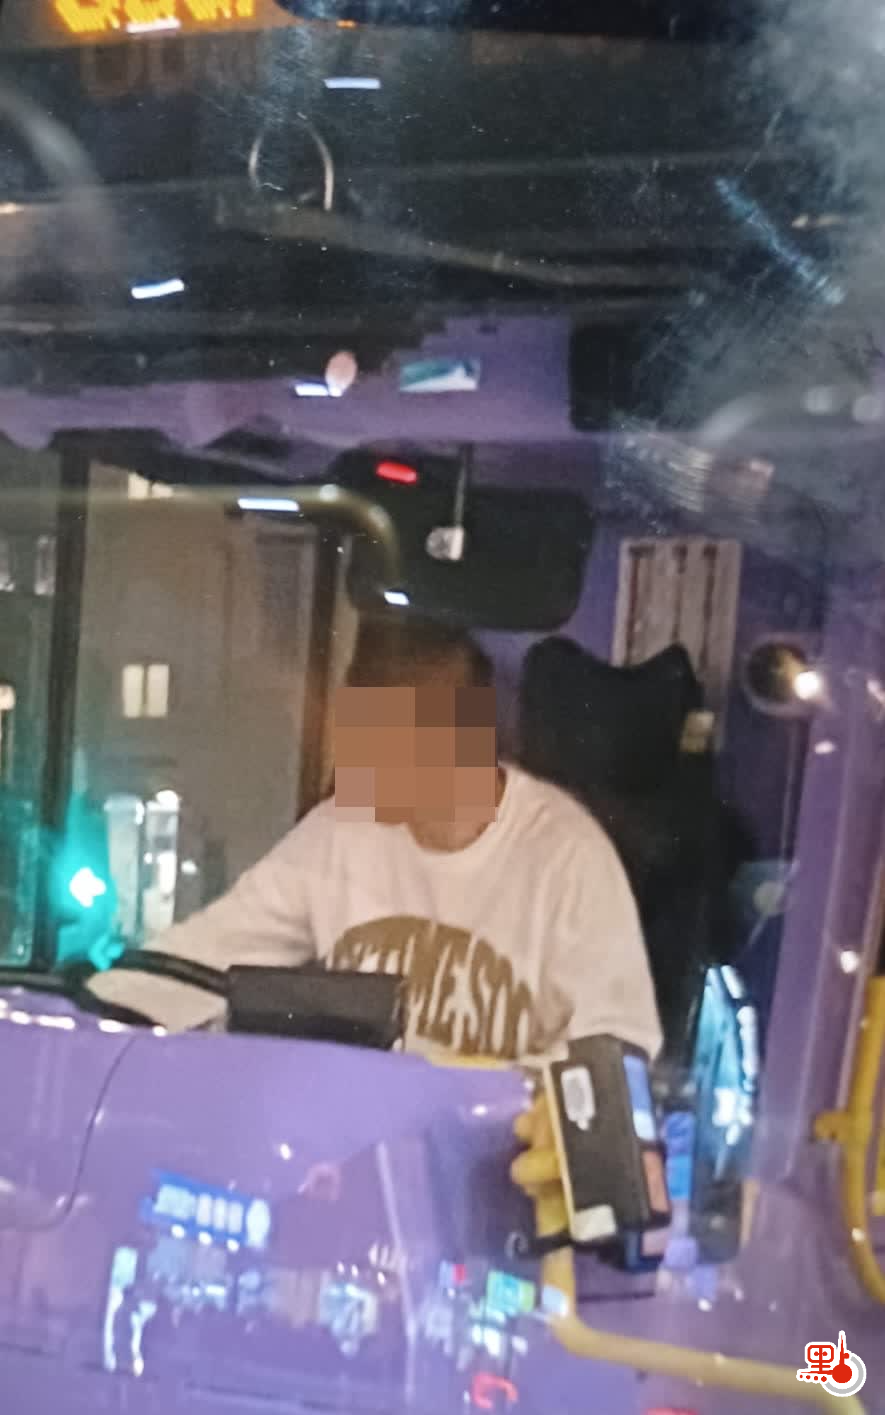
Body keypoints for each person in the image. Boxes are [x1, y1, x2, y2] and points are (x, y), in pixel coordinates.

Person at [90, 616, 661, 1062]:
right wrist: (87, 1011)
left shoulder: (566, 855)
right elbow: (199, 959)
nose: (354, 765)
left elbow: (617, 1054)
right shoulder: (339, 831)